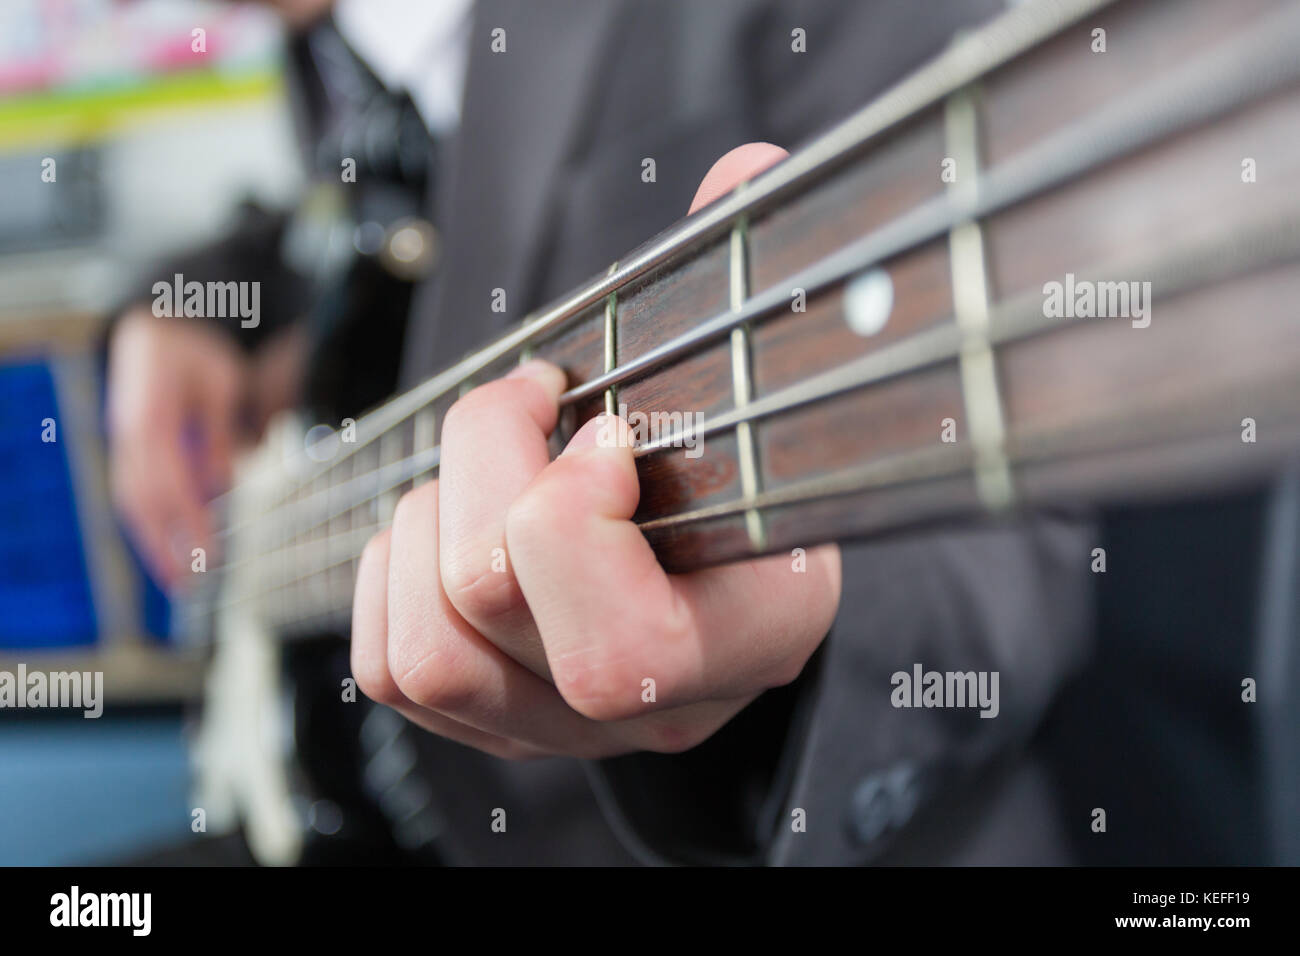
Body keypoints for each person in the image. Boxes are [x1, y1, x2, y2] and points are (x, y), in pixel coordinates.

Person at [108, 0, 1108, 866]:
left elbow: (1018, 525)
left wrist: (777, 658)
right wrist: (177, 304)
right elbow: (386, 231)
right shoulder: (330, 59)